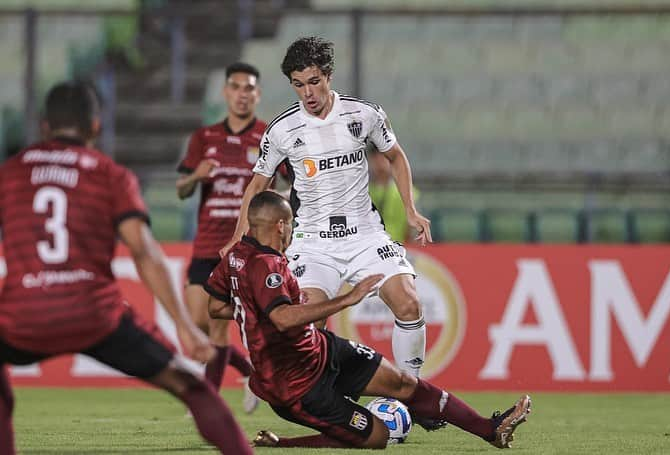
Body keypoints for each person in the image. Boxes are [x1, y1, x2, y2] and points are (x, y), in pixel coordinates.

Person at [0, 82, 252, 455]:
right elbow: (145, 253)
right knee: (192, 387)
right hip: (97, 315)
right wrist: (184, 326)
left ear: (44, 126)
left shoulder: (10, 174)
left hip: (24, 317)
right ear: (95, 127)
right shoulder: (110, 175)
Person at [207, 191, 531, 449]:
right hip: (295, 386)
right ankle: (287, 444)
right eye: (290, 224)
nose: (292, 231)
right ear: (280, 225)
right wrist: (347, 299)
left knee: (404, 384)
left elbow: (216, 306)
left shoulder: (235, 257)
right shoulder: (268, 265)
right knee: (376, 437)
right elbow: (282, 318)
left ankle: (491, 429)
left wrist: (249, 310)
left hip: (320, 350)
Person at [220, 37, 435, 424]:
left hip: (365, 234)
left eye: (314, 81)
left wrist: (411, 210)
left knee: (409, 303)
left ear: (329, 76)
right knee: (305, 319)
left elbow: (395, 156)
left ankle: (411, 395)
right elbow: (258, 186)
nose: (308, 92)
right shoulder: (283, 130)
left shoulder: (363, 115)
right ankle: (326, 404)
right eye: (299, 84)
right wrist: (239, 236)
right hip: (313, 241)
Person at [176, 62, 282, 413]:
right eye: (236, 87)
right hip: (207, 243)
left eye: (249, 88)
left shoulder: (269, 136)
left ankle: (206, 406)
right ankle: (252, 370)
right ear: (225, 92)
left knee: (218, 332)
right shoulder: (203, 138)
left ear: (257, 94)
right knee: (198, 319)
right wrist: (196, 178)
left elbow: (290, 183)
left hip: (248, 247)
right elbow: (180, 190)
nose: (242, 94)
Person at [368, 146, 417, 243]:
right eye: (375, 157)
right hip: (370, 250)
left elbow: (412, 230)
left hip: (398, 248)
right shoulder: (362, 191)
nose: (379, 162)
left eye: (383, 157)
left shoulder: (408, 192)